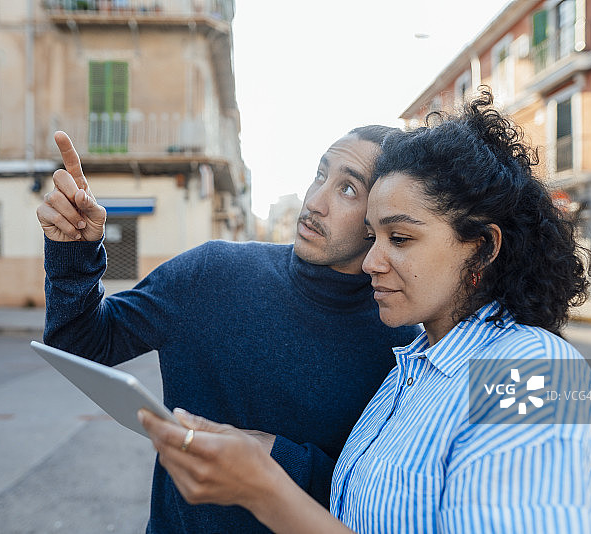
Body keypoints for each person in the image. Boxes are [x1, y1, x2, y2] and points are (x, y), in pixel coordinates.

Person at [138, 89, 591, 533]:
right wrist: (260, 454)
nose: (371, 261)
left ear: (484, 248)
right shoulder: (410, 369)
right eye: (373, 236)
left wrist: (264, 490)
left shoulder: (534, 374)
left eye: (401, 238)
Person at [36, 126, 422, 533]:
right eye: (320, 175)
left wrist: (279, 459)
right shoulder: (210, 272)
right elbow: (78, 344)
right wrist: (73, 250)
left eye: (347, 189)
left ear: (380, 213)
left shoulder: (403, 345)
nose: (314, 202)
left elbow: (384, 497)